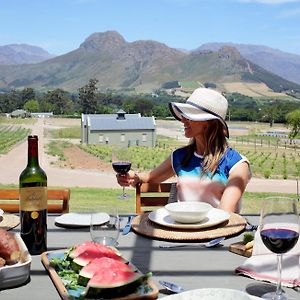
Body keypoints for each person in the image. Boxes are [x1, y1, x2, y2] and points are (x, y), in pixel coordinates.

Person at [116, 88, 251, 213]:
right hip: (182, 232)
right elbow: (150, 178)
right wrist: (134, 177)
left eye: (190, 116)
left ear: (210, 123)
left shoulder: (237, 165)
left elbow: (225, 213)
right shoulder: (180, 156)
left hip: (218, 236)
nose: (183, 120)